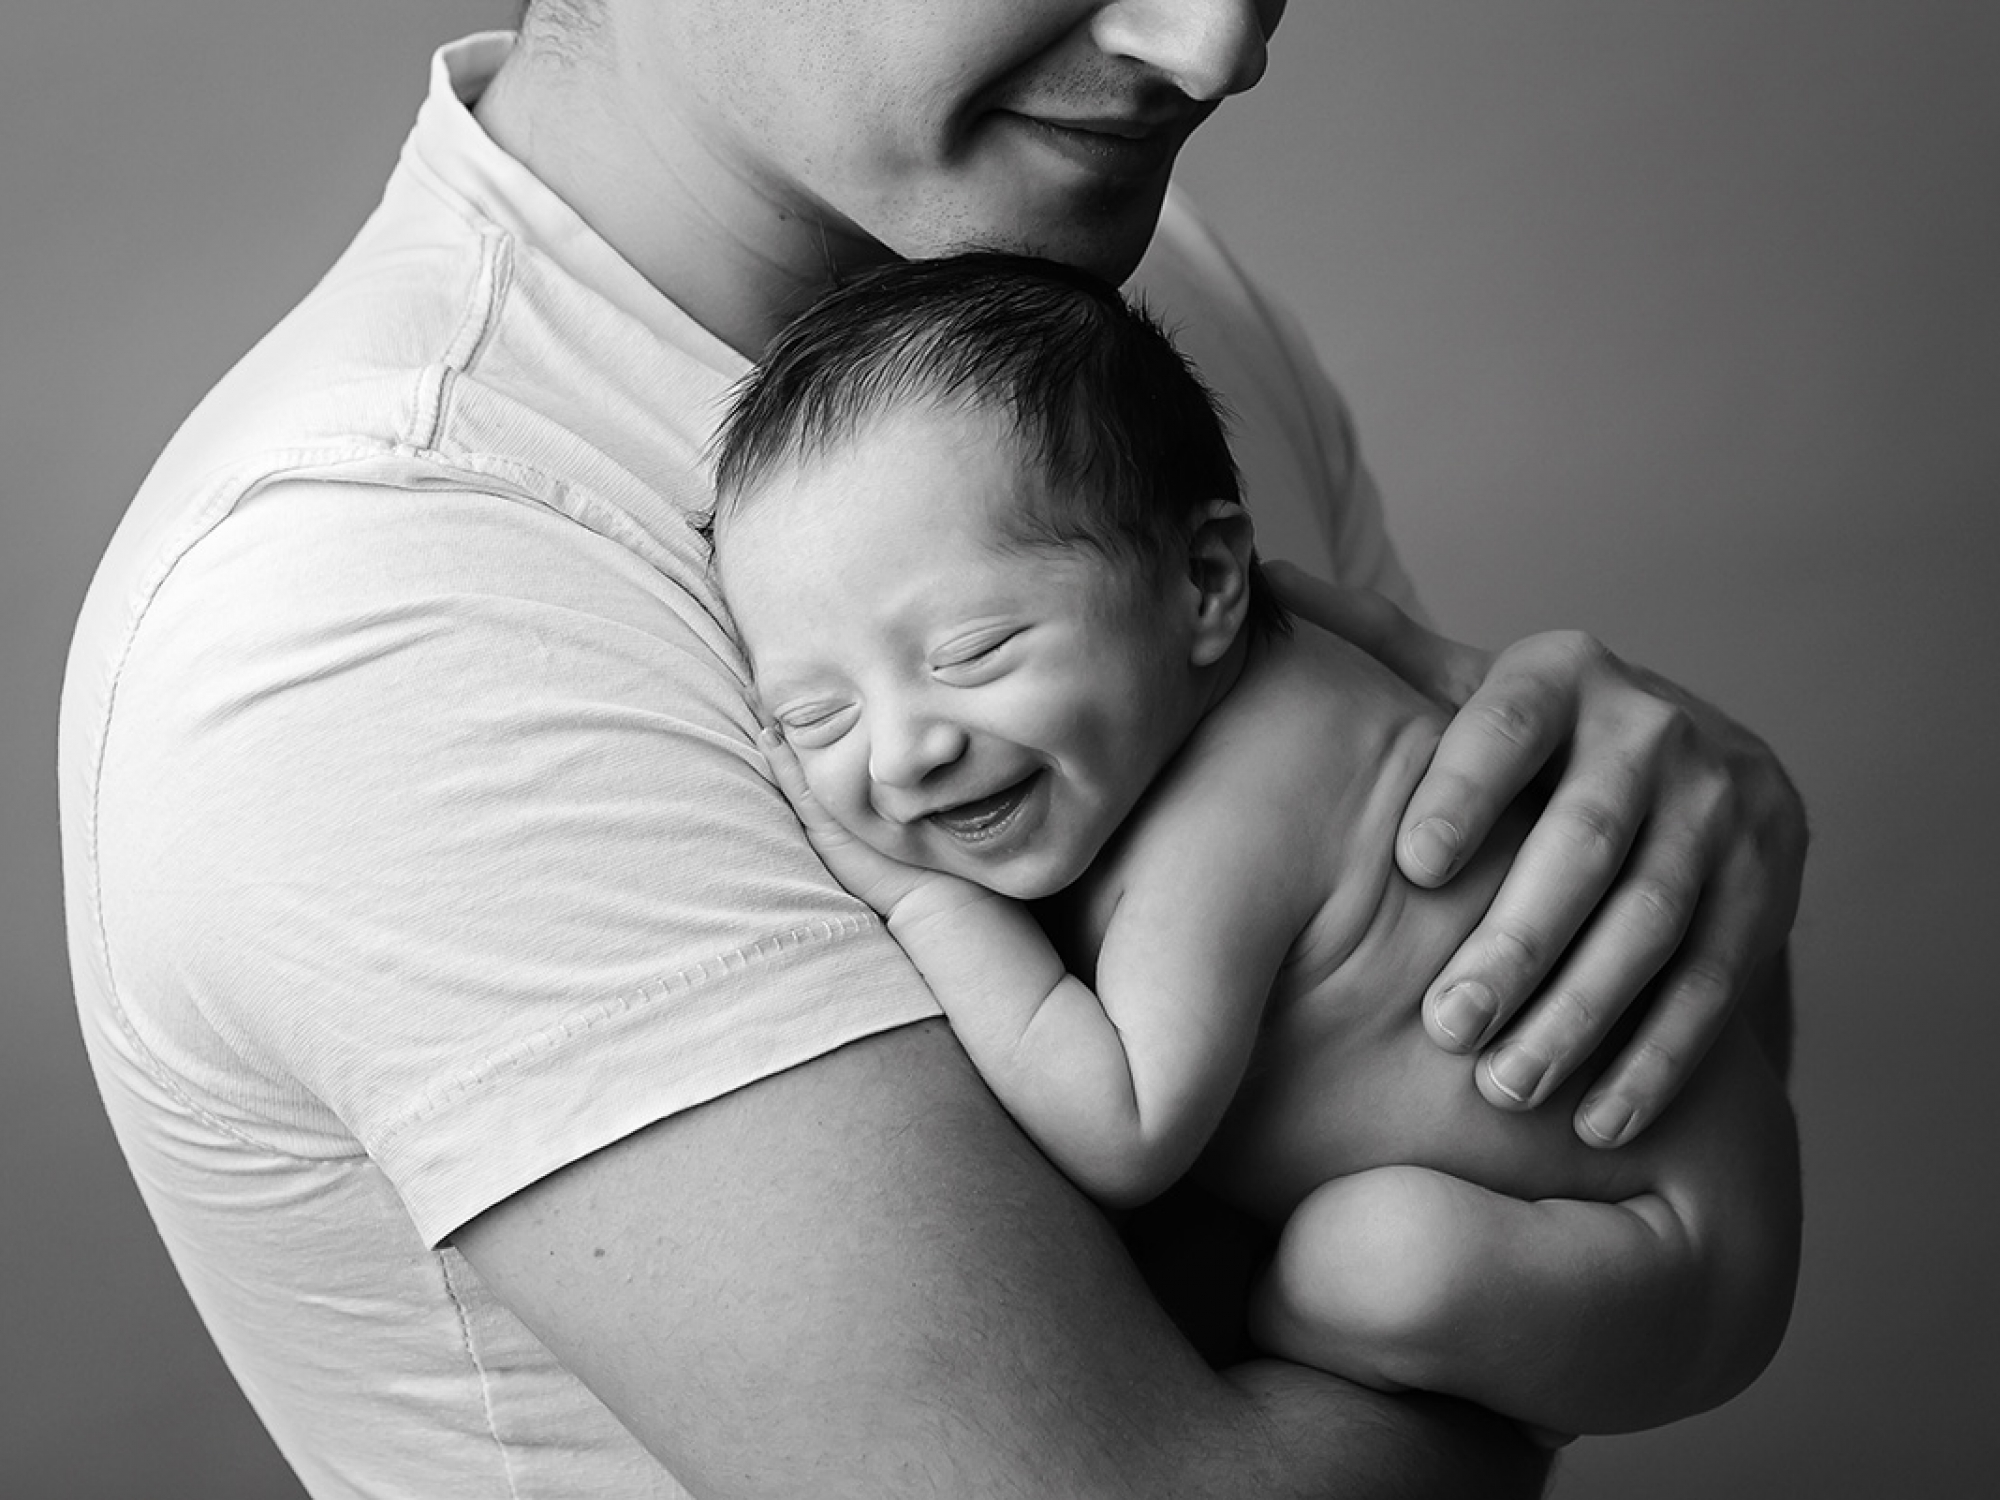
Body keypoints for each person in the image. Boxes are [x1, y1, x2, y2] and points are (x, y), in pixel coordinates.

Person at [57, 5, 1805, 1496]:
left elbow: (1503, 1058)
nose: (1219, 43)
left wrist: (1672, 870)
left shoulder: (1104, 298)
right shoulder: (390, 599)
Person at [708, 250, 1801, 1440]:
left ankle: (1289, 1339)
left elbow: (1121, 1127)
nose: (901, 753)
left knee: (1366, 1258)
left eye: (972, 651)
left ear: (1206, 583)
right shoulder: (1220, 682)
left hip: (1653, 1242)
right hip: (1676, 1157)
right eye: (816, 717)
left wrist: (921, 904)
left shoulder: (1229, 814)